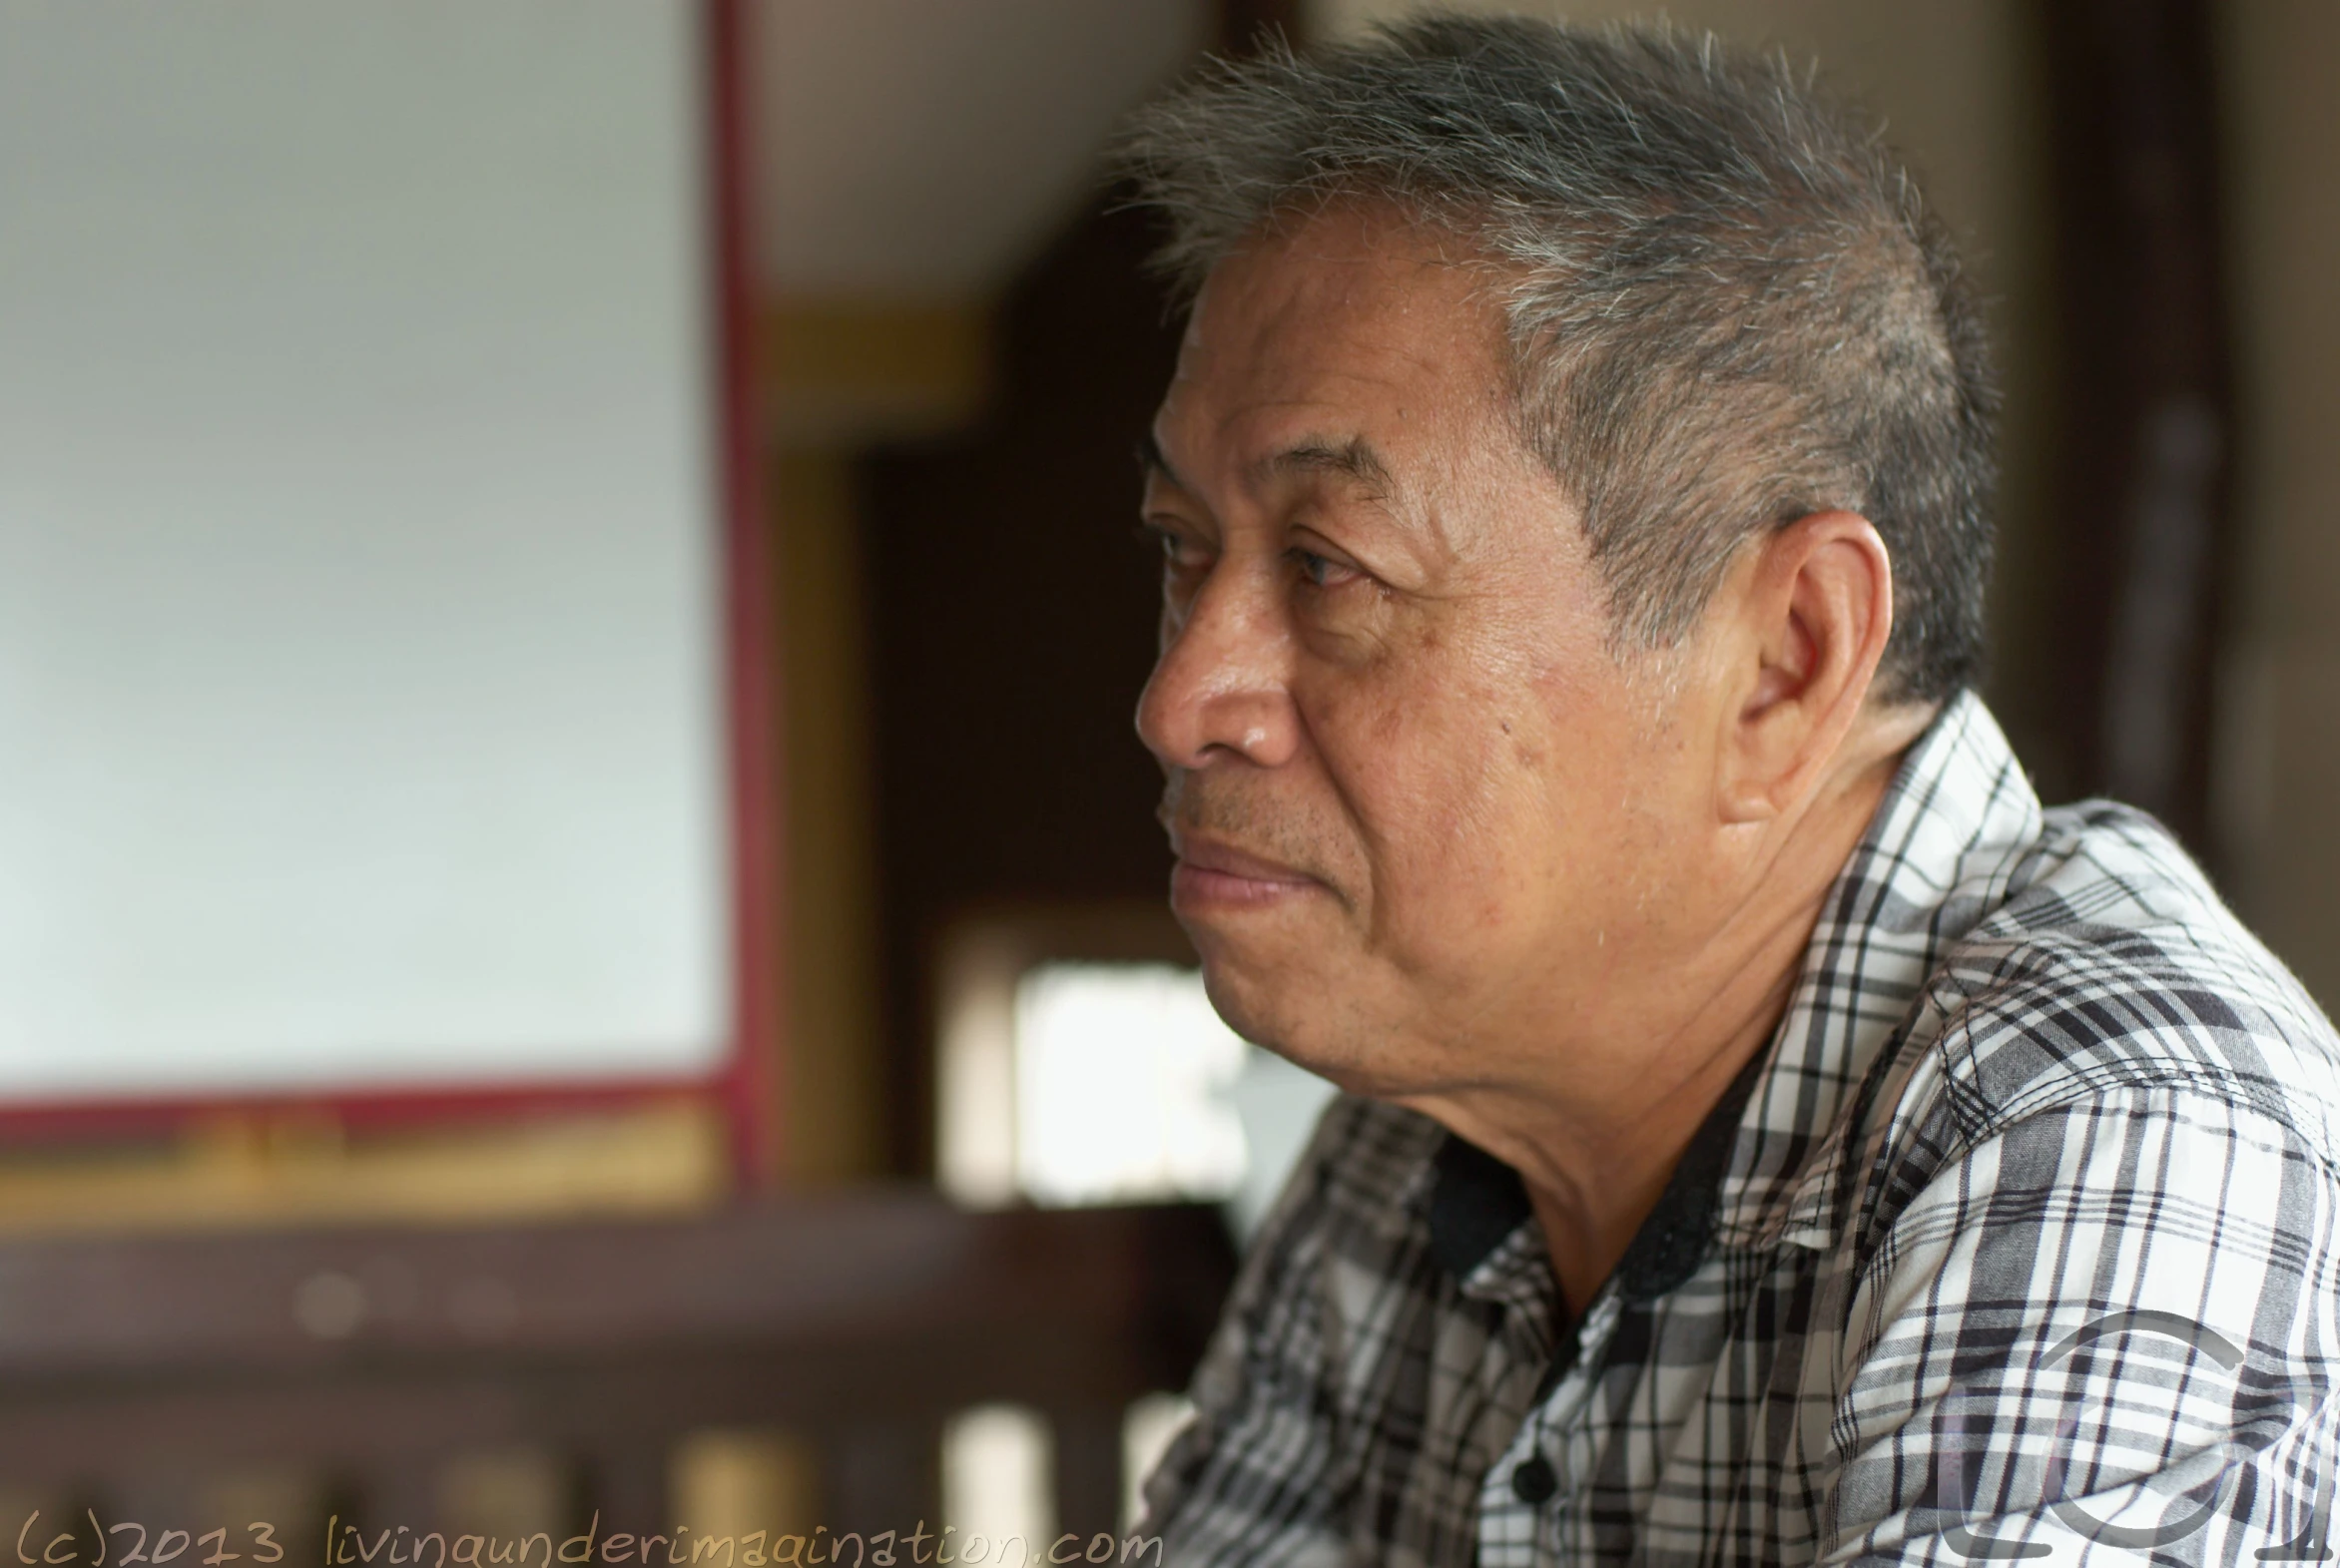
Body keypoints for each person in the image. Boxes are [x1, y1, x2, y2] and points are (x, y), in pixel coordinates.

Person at [1112, 14, 2340, 1566]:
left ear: (1782, 662)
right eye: (1182, 548)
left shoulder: (2120, 1119)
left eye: (1328, 567)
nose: (1179, 700)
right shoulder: (1431, 1117)